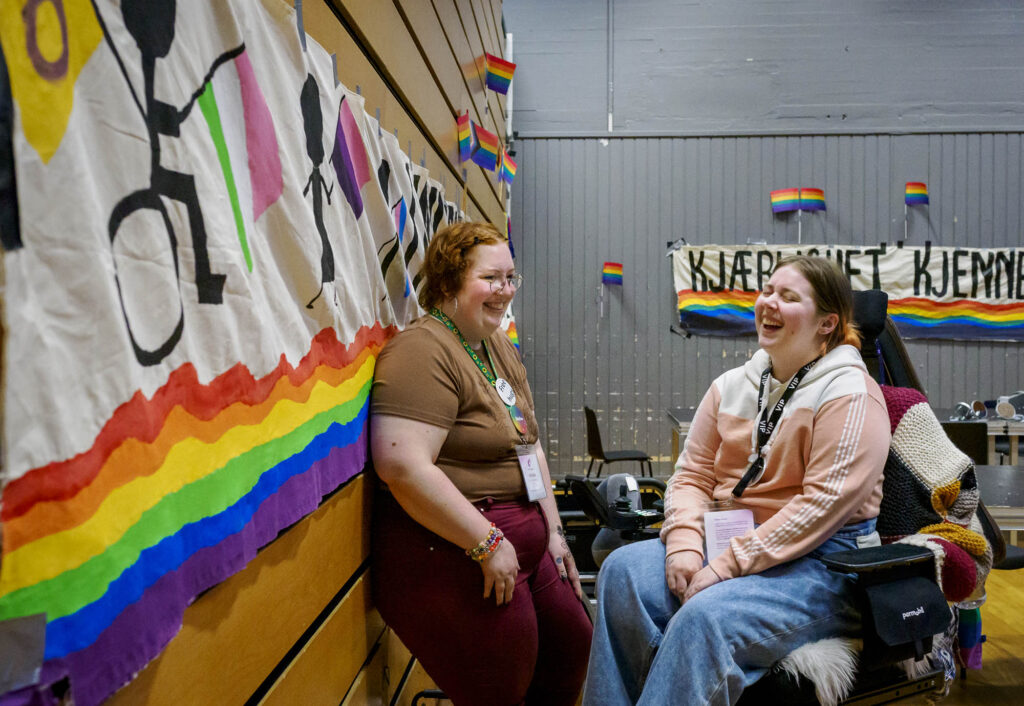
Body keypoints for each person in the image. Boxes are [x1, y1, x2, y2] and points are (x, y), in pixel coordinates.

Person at [583, 256, 891, 705]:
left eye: (788, 297)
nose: (769, 302)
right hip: (731, 541)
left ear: (827, 323)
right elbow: (691, 475)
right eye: (767, 290)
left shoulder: (852, 395)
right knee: (621, 572)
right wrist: (686, 542)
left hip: (825, 565)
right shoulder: (731, 384)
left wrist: (724, 567)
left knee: (704, 618)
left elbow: (820, 508)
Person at [370, 221, 593, 705]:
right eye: (491, 279)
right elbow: (402, 467)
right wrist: (486, 542)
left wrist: (554, 532)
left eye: (511, 278)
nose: (505, 291)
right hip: (457, 548)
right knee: (504, 674)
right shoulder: (421, 350)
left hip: (525, 540)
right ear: (449, 281)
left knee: (572, 640)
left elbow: (528, 443)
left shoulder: (496, 346)